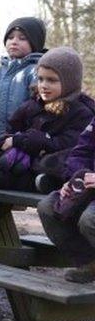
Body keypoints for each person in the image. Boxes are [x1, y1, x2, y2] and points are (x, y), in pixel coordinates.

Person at [0, 47, 94, 193]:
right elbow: (10, 131)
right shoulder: (32, 104)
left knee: (57, 162)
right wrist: (6, 141)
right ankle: (36, 183)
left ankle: (43, 181)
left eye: (52, 80)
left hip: (49, 161)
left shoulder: (81, 112)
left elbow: (71, 145)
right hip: (22, 161)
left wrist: (39, 140)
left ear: (69, 82)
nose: (44, 86)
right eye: (40, 79)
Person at [0, 17, 46, 159]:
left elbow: (39, 113)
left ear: (34, 43)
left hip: (21, 148)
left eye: (22, 38)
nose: (14, 41)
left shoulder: (37, 72)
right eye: (10, 37)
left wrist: (20, 141)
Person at [37, 120, 95, 283]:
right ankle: (89, 263)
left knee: (90, 220)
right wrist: (74, 179)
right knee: (48, 207)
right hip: (90, 186)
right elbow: (81, 152)